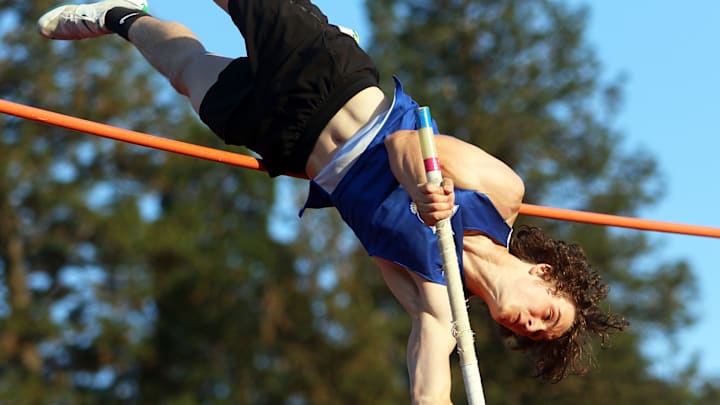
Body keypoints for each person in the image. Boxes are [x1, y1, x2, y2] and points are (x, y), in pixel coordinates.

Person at [38, 0, 628, 402]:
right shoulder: (501, 196)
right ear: (544, 274)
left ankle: (120, 15)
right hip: (333, 82)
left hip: (291, 140)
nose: (527, 324)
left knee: (187, 73)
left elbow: (430, 388)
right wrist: (426, 191)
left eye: (531, 335)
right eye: (545, 315)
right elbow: (404, 143)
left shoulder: (437, 304)